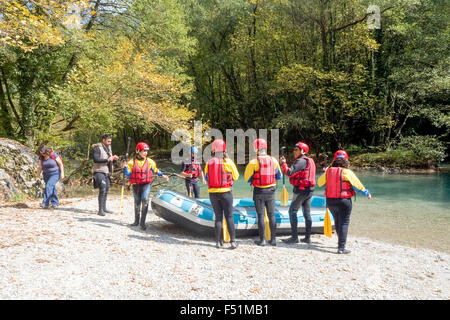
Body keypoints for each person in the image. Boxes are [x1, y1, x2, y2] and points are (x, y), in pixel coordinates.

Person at [317, 150, 372, 254]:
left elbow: (320, 183)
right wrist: (367, 193)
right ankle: (341, 248)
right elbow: (357, 186)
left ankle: (340, 245)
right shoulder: (347, 172)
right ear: (346, 160)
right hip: (344, 201)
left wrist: (324, 172)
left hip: (330, 201)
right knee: (344, 222)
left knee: (337, 221)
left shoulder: (328, 171)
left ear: (334, 160)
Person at [122, 142, 169, 230]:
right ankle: (136, 221)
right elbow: (128, 175)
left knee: (145, 200)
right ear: (138, 151)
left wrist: (163, 175)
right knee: (137, 203)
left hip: (145, 185)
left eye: (146, 151)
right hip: (136, 186)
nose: (145, 153)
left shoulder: (150, 162)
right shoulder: (131, 163)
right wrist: (124, 168)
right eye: (143, 151)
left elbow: (155, 170)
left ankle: (142, 223)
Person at [244, 138, 282, 246]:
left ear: (256, 149)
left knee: (260, 215)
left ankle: (262, 240)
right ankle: (273, 240)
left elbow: (247, 178)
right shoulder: (273, 160)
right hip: (271, 191)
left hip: (259, 192)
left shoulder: (253, 162)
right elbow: (279, 176)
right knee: (271, 215)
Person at [204, 139, 240, 249]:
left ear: (214, 150)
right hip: (226, 193)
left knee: (218, 218)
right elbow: (236, 176)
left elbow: (206, 177)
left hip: (213, 194)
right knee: (229, 216)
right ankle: (233, 242)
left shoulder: (209, 162)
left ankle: (218, 242)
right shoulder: (228, 162)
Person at [280, 142, 316, 244]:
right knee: (306, 213)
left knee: (292, 212)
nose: (294, 151)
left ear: (303, 151)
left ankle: (294, 237)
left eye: (296, 149)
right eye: (294, 149)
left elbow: (289, 172)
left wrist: (283, 163)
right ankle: (307, 238)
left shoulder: (301, 161)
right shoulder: (308, 160)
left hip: (301, 191)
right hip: (309, 191)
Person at [92, 134, 119, 216]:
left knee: (106, 189)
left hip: (106, 172)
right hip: (98, 171)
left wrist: (114, 159)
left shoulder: (109, 148)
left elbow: (110, 162)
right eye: (108, 141)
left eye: (110, 141)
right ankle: (100, 210)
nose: (110, 143)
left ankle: (104, 208)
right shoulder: (97, 148)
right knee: (102, 189)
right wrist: (107, 159)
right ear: (103, 140)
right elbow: (96, 159)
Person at [36, 145, 64, 209]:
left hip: (55, 173)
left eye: (43, 153)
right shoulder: (41, 157)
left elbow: (60, 164)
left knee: (48, 186)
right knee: (52, 188)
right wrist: (37, 176)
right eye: (40, 153)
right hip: (46, 175)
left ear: (46, 151)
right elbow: (40, 167)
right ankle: (55, 203)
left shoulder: (53, 154)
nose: (42, 154)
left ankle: (45, 203)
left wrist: (62, 173)